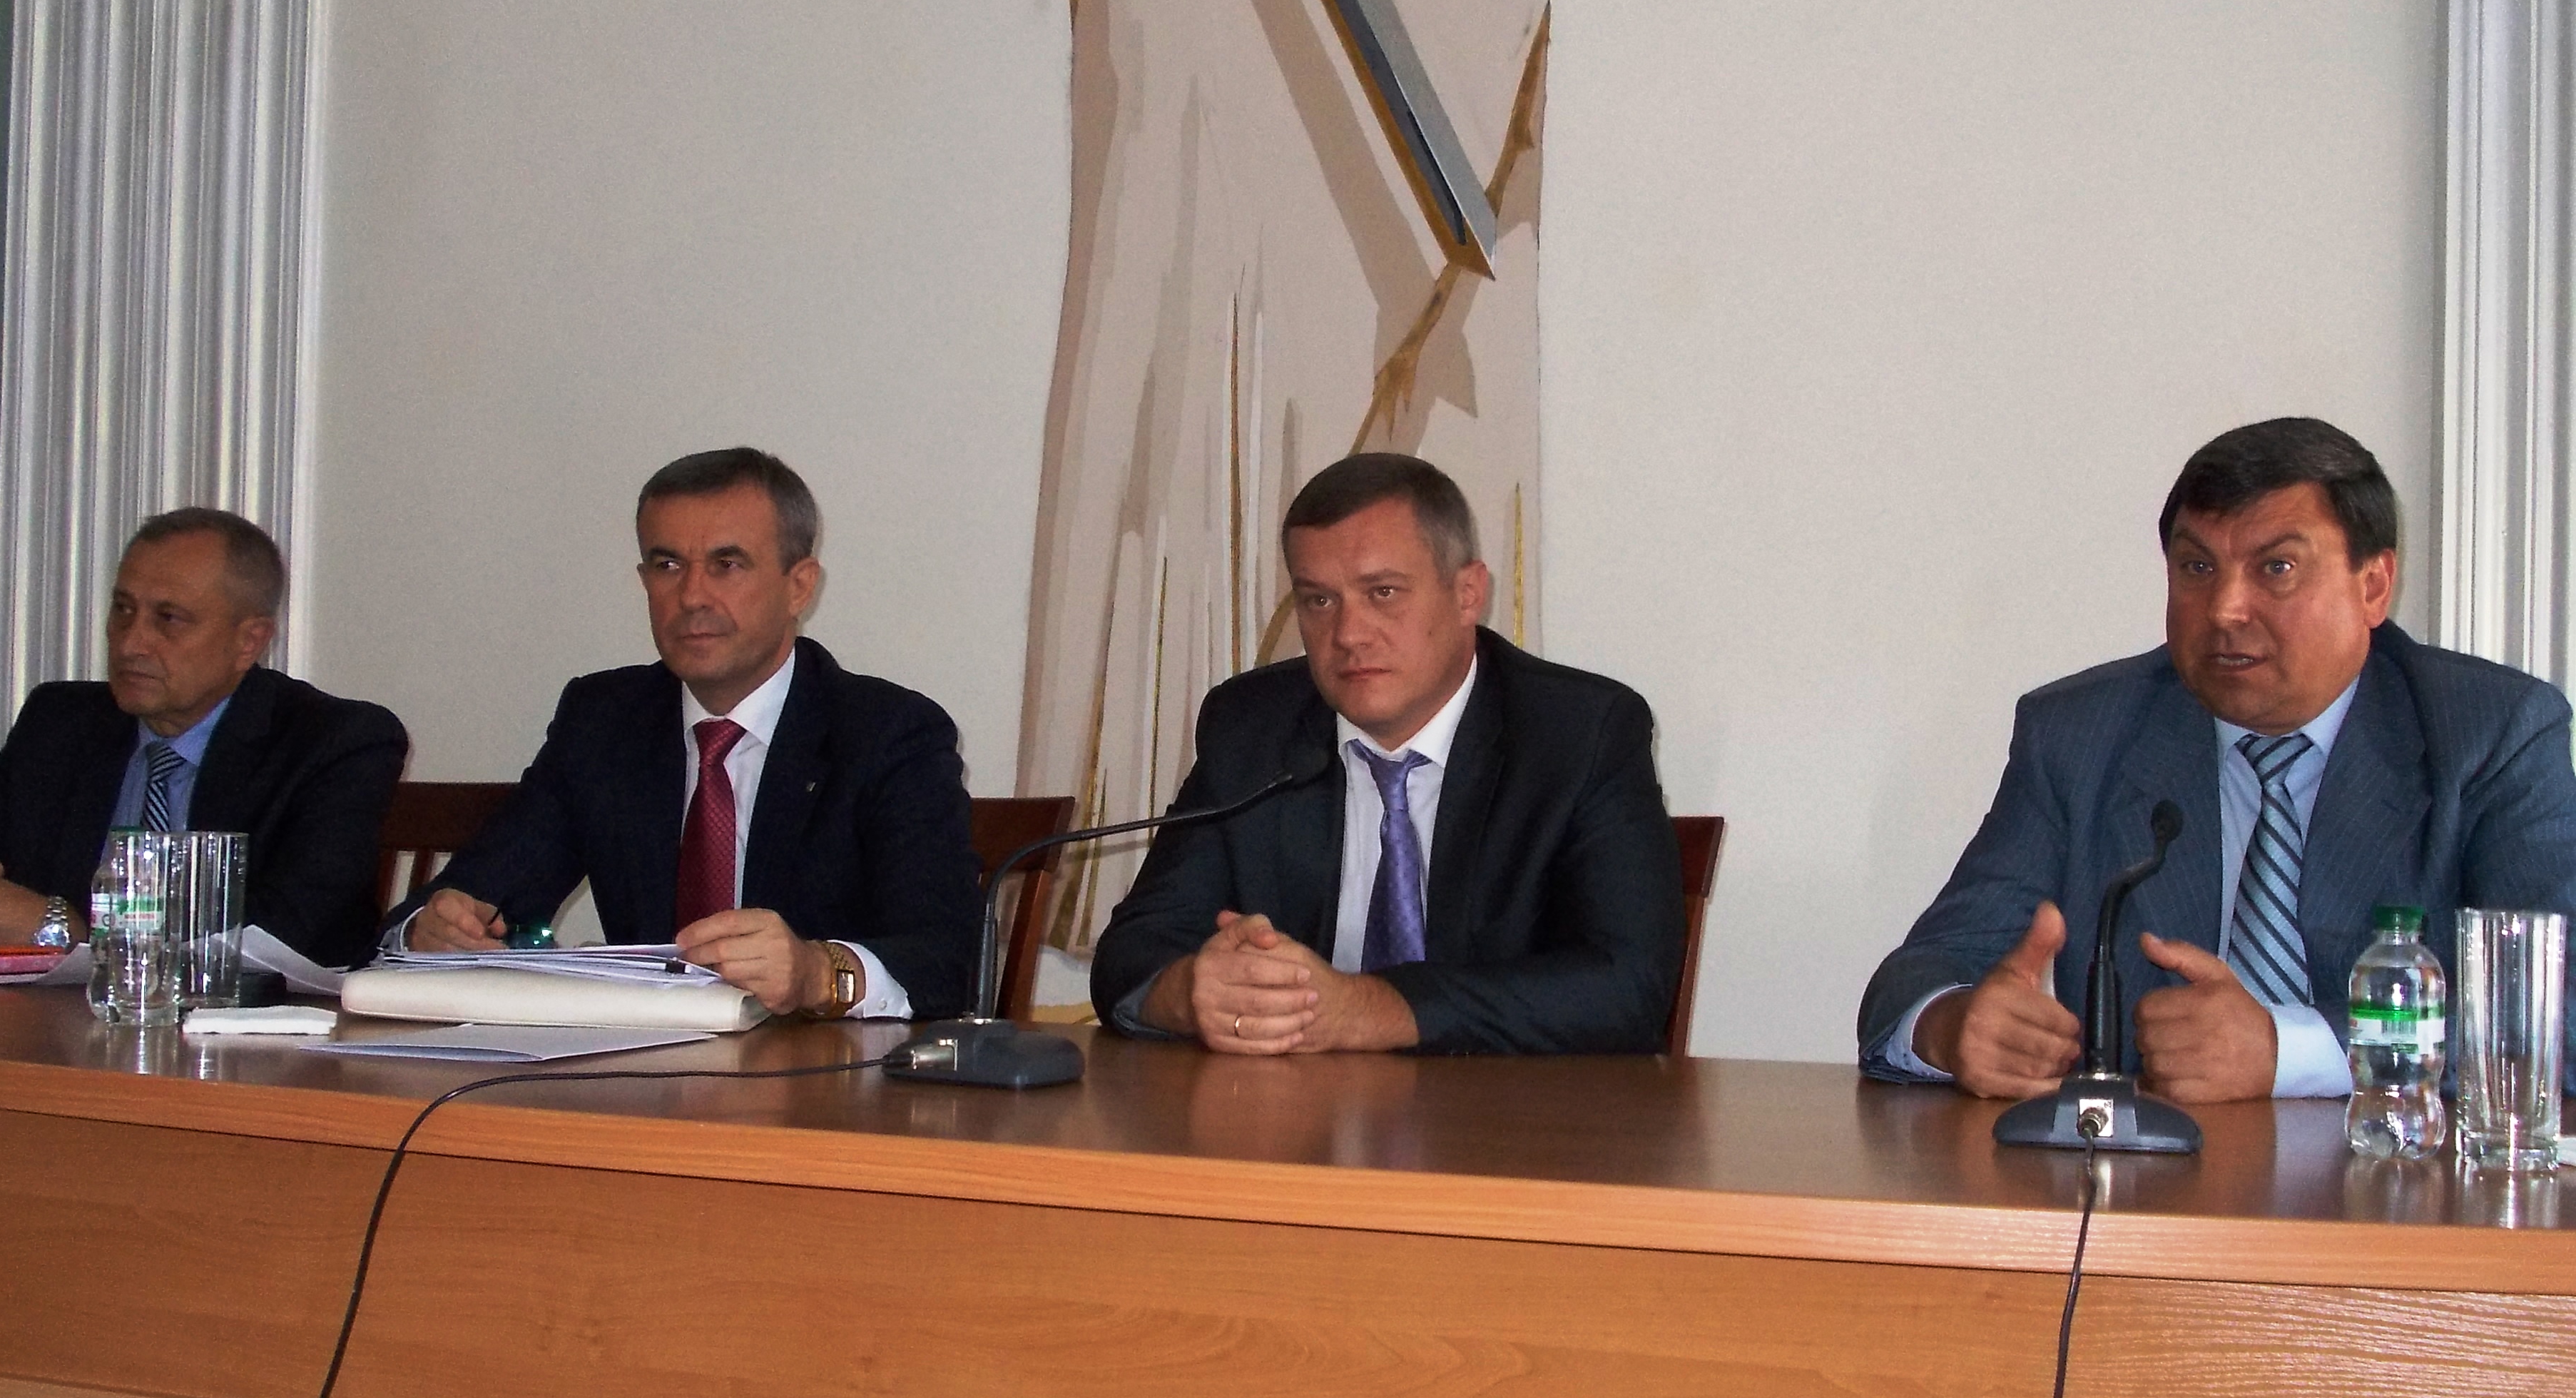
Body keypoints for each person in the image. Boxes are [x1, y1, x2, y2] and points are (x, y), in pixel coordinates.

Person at [1860, 416, 2576, 1103]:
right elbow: (1924, 971)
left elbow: (2558, 1018)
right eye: (2197, 567)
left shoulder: (2489, 735)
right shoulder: (2080, 736)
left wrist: (2285, 1049)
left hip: (2395, 1175)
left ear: (2374, 586)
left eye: (2277, 568)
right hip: (2146, 1180)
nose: (2226, 608)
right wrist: (1952, 1026)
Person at [1091, 452, 1685, 1055]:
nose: (1349, 634)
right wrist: (1194, 992)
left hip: (1504, 1108)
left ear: (1468, 594)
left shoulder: (1579, 733)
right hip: (1293, 1107)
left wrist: (1367, 1010)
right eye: (1319, 601)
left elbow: (1628, 986)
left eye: (1383, 592)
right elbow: (1135, 949)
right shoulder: (1253, 728)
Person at [393, 447, 982, 1017]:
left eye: (728, 565)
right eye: (668, 565)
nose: (693, 596)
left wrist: (817, 974)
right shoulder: (604, 723)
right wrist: (429, 931)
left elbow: (947, 963)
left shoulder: (888, 734)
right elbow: (470, 898)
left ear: (799, 586)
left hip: (821, 1070)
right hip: (643, 1064)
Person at [0, 507, 407, 965]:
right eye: (123, 610)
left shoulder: (336, 743)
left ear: (249, 641)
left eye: (169, 619)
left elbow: (277, 937)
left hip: (253, 1011)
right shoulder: (59, 721)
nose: (130, 643)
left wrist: (63, 931)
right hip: (45, 1008)